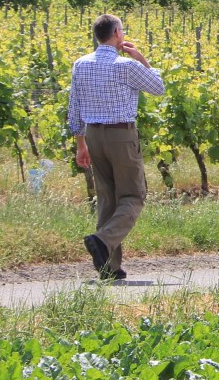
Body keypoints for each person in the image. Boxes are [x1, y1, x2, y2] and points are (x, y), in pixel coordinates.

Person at [69, 14, 165, 281]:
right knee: (134, 195)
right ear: (116, 34)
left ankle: (109, 267)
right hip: (121, 135)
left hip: (93, 137)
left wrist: (80, 143)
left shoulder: (81, 64)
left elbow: (74, 106)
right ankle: (102, 241)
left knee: (107, 198)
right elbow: (158, 88)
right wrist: (142, 59)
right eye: (122, 30)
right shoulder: (126, 66)